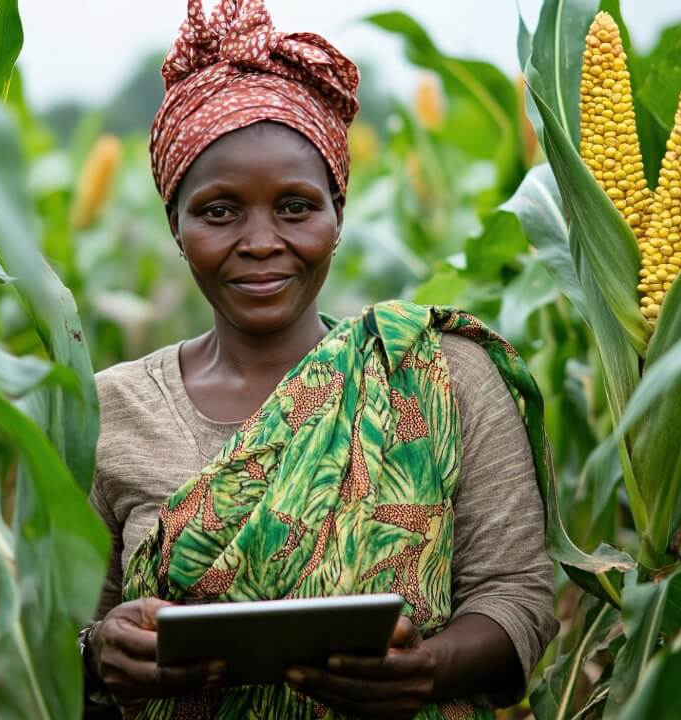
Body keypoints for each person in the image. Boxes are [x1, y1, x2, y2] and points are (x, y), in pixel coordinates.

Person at [82, 1, 558, 718]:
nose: (262, 240)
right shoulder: (107, 410)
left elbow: (517, 595)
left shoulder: (441, 377)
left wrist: (429, 669)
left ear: (339, 215)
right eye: (218, 211)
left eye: (297, 207)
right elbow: (58, 630)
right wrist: (99, 650)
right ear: (174, 225)